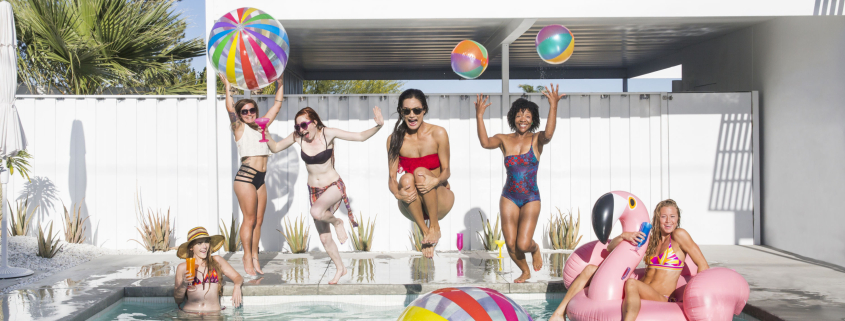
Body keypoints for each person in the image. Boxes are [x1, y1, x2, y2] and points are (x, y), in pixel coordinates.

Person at [265, 106, 384, 284]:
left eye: (304, 125)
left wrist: (378, 126)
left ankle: (338, 222)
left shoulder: (328, 133)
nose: (301, 130)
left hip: (334, 185)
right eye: (298, 127)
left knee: (316, 212)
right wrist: (265, 131)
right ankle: (340, 269)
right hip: (314, 190)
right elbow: (274, 148)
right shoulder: (298, 137)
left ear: (314, 122)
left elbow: (359, 137)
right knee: (324, 237)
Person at [473, 85, 565, 282]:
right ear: (513, 118)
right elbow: (484, 143)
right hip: (509, 197)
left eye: (527, 116)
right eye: (519, 115)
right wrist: (480, 115)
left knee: (523, 244)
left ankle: (535, 248)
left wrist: (553, 105)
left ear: (533, 119)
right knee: (511, 244)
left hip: (531, 197)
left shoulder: (537, 139)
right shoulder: (503, 139)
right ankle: (525, 270)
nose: (523, 119)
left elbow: (548, 134)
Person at [220, 75, 284, 276]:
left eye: (251, 110)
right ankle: (246, 256)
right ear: (240, 114)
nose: (248, 113)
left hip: (260, 179)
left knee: (258, 221)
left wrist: (280, 84)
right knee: (248, 220)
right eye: (244, 111)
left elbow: (277, 105)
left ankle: (255, 255)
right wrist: (227, 88)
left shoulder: (262, 125)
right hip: (246, 178)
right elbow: (230, 109)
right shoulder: (239, 127)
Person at [386, 89, 454, 259]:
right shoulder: (394, 139)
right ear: (401, 112)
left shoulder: (438, 133)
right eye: (406, 111)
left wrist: (435, 180)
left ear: (424, 109)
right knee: (406, 178)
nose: (411, 115)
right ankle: (426, 234)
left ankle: (434, 226)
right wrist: (397, 194)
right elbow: (392, 178)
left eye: (416, 110)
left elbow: (447, 171)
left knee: (420, 173)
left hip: (439, 199)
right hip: (412, 204)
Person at [621, 199, 709, 321]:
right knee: (625, 281)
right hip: (642, 292)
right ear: (657, 218)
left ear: (678, 218)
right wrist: (623, 236)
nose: (668, 221)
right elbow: (611, 248)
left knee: (631, 282)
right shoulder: (651, 241)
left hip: (663, 297)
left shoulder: (679, 235)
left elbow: (703, 264)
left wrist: (695, 297)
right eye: (664, 216)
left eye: (672, 216)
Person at [548, 231, 648, 320]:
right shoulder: (632, 235)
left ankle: (558, 314)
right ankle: (558, 313)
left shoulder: (651, 239)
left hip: (630, 279)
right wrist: (623, 236)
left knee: (590, 270)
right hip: (618, 276)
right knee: (589, 269)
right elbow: (609, 248)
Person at [174, 227, 244, 314]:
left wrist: (237, 286)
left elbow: (237, 277)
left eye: (206, 242)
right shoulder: (183, 267)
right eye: (199, 243)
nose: (204, 246)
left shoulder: (217, 261)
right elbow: (178, 300)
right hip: (190, 313)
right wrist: (184, 284)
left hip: (213, 314)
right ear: (191, 247)